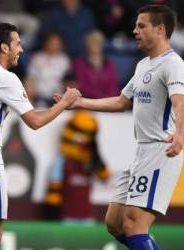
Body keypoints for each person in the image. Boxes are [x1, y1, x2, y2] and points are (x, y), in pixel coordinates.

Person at [55, 4, 184, 250]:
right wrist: (78, 102)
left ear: (160, 30)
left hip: (161, 151)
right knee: (114, 223)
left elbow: (180, 101)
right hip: (140, 153)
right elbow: (121, 101)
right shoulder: (144, 64)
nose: (134, 30)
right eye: (135, 25)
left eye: (141, 26)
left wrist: (180, 135)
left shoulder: (173, 64)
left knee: (135, 224)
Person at [0, 23, 81, 250]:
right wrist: (65, 102)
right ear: (4, 48)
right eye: (17, 43)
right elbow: (35, 121)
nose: (21, 49)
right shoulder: (6, 78)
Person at [73, 30, 119, 98]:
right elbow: (82, 86)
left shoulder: (108, 63)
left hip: (108, 101)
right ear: (87, 45)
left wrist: (109, 97)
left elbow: (113, 84)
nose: (96, 46)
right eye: (93, 43)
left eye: (98, 43)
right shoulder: (80, 63)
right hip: (88, 101)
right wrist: (99, 97)